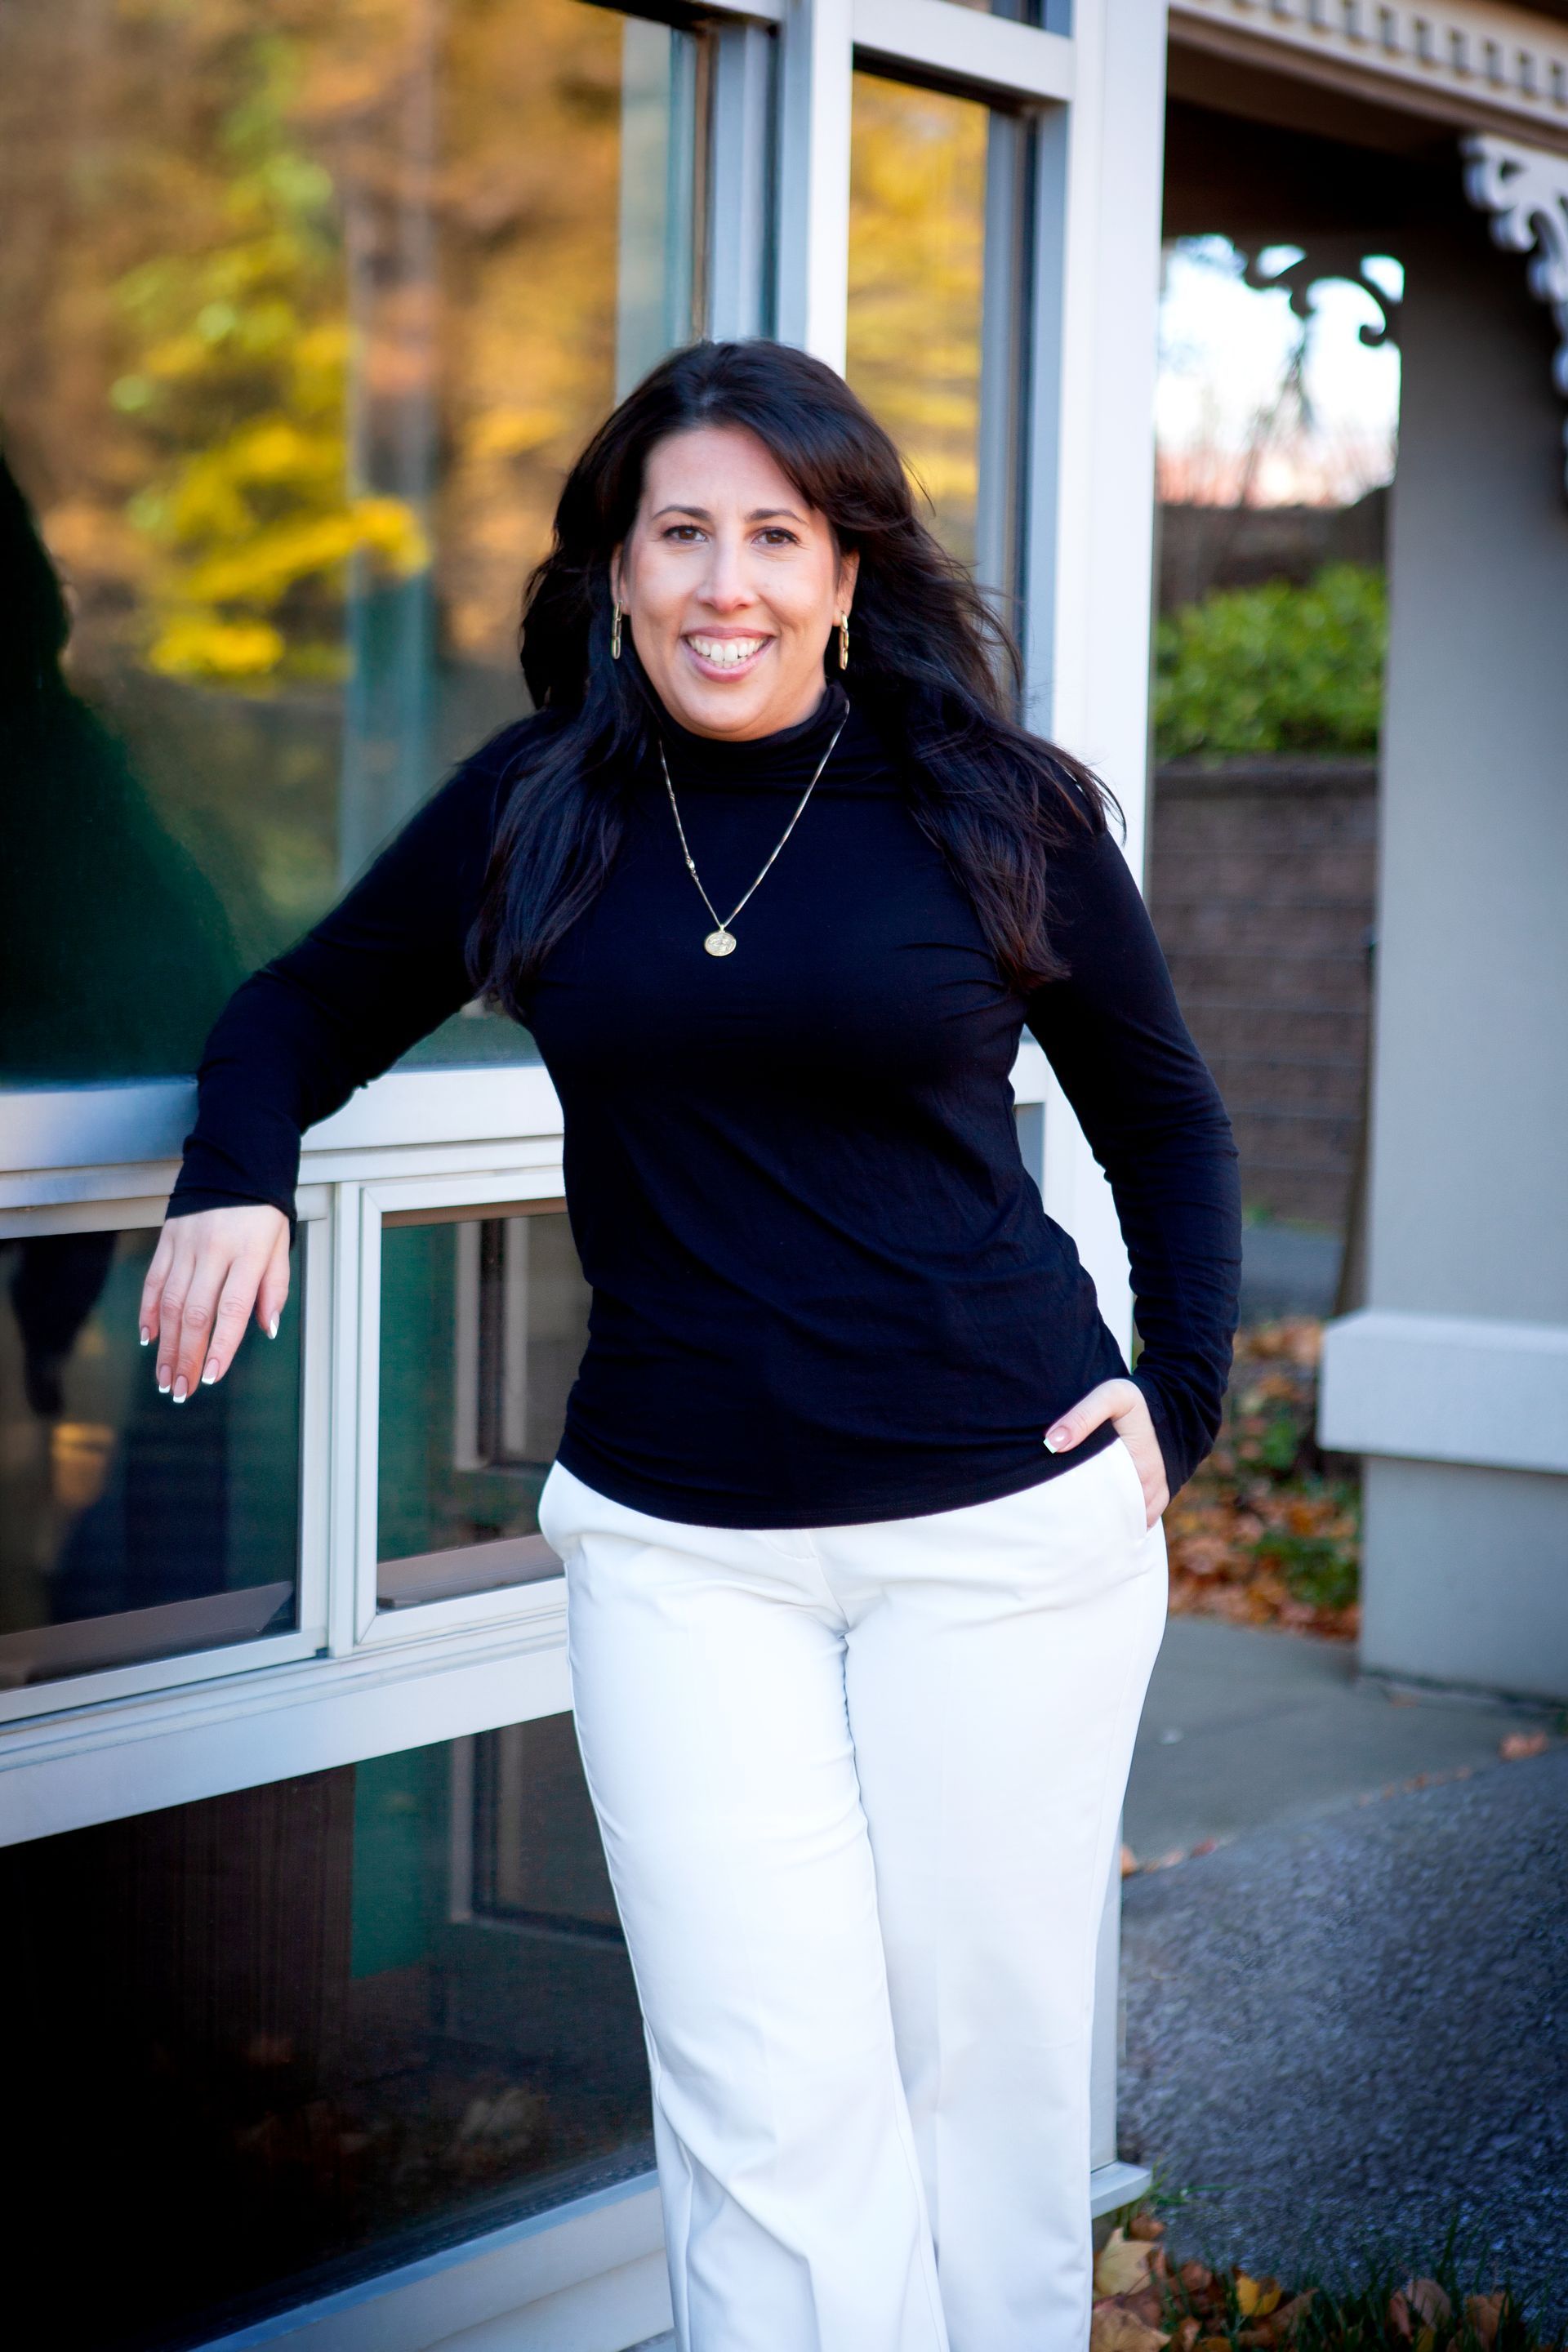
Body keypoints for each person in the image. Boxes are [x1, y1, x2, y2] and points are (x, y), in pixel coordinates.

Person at [145, 339, 1241, 2352]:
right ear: (620, 572)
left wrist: (1180, 1401)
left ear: (844, 576)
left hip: (1007, 1530)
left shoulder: (992, 807)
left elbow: (1163, 1112)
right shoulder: (540, 809)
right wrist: (232, 1174)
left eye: (774, 535)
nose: (725, 581)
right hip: (676, 1545)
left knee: (977, 2081)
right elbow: (295, 1008)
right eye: (681, 535)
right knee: (759, 2093)